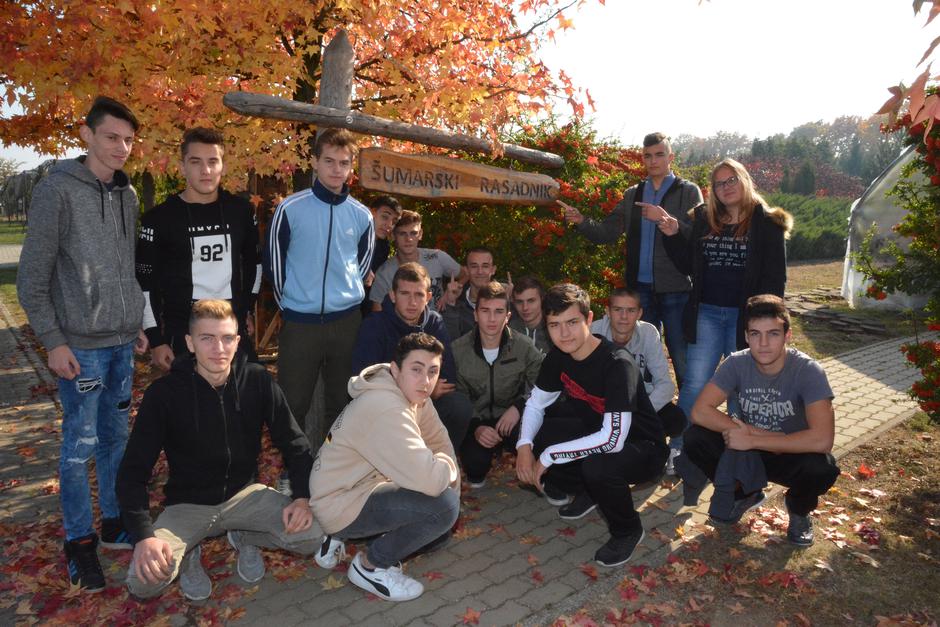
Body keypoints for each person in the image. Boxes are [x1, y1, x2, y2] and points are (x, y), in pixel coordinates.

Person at [117, 300, 335, 600]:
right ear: (190, 343)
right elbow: (131, 473)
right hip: (187, 505)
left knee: (312, 535)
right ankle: (189, 552)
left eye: (227, 338)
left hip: (244, 496)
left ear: (237, 341)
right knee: (144, 582)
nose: (218, 348)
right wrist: (143, 537)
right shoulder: (164, 395)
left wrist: (301, 497)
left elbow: (295, 444)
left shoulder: (257, 380)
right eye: (207, 338)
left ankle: (245, 536)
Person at [16, 96, 148, 592]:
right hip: (81, 349)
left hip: (121, 344)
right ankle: (79, 542)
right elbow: (31, 279)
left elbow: (127, 269)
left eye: (128, 140)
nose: (121, 147)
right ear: (87, 135)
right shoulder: (57, 191)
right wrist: (53, 341)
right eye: (112, 137)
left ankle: (114, 523)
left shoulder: (127, 195)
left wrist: (136, 320)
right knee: (79, 447)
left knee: (116, 438)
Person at [515, 284, 667, 567]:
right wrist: (524, 447)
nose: (564, 334)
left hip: (642, 446)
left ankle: (628, 530)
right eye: (555, 325)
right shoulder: (558, 356)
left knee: (597, 466)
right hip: (595, 429)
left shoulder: (617, 363)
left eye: (572, 322)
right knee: (530, 432)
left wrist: (548, 457)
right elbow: (535, 404)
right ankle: (589, 490)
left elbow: (613, 440)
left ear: (589, 319)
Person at [658, 158, 792, 465]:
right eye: (719, 183)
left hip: (746, 319)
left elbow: (776, 278)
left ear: (744, 180)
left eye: (731, 180)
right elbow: (688, 265)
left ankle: (742, 451)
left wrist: (769, 320)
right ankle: (680, 448)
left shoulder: (768, 223)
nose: (726, 187)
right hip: (706, 312)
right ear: (713, 190)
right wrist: (673, 235)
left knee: (742, 387)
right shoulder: (705, 218)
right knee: (695, 383)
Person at [310, 333, 461, 602]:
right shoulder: (386, 407)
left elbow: (439, 439)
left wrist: (447, 478)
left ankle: (336, 537)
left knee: (440, 525)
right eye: (416, 370)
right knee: (444, 508)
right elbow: (432, 479)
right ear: (395, 369)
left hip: (354, 484)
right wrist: (448, 472)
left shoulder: (413, 395)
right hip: (338, 501)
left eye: (433, 371)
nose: (426, 381)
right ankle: (370, 566)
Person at [680, 295, 839, 546]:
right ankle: (744, 493)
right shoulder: (736, 363)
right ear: (746, 336)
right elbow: (700, 411)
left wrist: (755, 438)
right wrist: (746, 436)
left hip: (791, 453)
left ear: (787, 336)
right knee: (696, 437)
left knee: (822, 468)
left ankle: (799, 510)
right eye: (755, 334)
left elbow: (822, 440)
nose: (763, 344)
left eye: (773, 334)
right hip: (748, 452)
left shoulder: (808, 371)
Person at [559, 132, 703, 389]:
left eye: (659, 154)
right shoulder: (633, 195)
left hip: (677, 288)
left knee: (682, 359)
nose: (653, 160)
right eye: (648, 156)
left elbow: (700, 235)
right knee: (641, 359)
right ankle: (645, 410)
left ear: (670, 157)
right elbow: (608, 232)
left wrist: (669, 222)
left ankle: (689, 412)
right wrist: (581, 221)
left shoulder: (688, 192)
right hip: (640, 292)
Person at [263, 128, 374, 454]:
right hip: (301, 323)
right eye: (329, 161)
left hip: (346, 323)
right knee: (291, 402)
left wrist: (346, 299)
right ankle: (293, 470)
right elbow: (274, 265)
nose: (336, 169)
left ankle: (333, 469)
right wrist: (293, 304)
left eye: (344, 163)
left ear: (351, 166)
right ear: (314, 162)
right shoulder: (290, 209)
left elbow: (361, 265)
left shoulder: (362, 215)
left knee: (343, 402)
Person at [137, 127, 261, 368]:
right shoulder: (159, 218)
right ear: (182, 167)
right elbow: (145, 283)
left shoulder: (241, 211)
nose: (206, 170)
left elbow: (255, 265)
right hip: (182, 336)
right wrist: (156, 340)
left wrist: (247, 309)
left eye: (213, 161)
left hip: (231, 331)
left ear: (223, 166)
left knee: (251, 389)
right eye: (196, 162)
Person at [351, 262, 472, 452]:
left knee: (458, 405)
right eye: (405, 294)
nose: (412, 302)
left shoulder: (434, 323)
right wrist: (424, 389)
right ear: (393, 295)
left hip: (425, 406)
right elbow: (365, 379)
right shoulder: (374, 325)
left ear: (428, 297)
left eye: (419, 295)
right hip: (386, 407)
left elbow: (447, 376)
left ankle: (437, 461)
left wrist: (420, 391)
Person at [453, 282, 543, 487]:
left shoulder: (523, 346)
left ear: (508, 316)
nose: (492, 319)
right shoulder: (458, 350)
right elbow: (457, 397)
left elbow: (541, 385)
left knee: (540, 447)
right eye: (485, 311)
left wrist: (519, 407)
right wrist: (476, 427)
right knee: (475, 468)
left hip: (511, 418)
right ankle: (484, 451)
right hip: (476, 420)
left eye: (499, 312)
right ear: (476, 314)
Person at [591, 288, 686, 444]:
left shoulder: (648, 333)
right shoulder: (593, 331)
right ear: (607, 311)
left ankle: (646, 447)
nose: (624, 316)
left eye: (631, 310)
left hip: (638, 403)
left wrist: (639, 413)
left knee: (675, 419)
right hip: (602, 402)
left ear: (639, 313)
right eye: (618, 310)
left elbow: (666, 385)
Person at [369, 209, 461, 311]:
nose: (409, 239)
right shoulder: (384, 273)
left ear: (420, 234)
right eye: (402, 233)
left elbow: (466, 273)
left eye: (413, 233)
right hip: (401, 321)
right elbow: (377, 312)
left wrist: (450, 293)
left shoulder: (437, 257)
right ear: (393, 235)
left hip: (439, 319)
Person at [442, 246, 500, 340]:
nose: (480, 272)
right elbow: (450, 341)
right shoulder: (454, 302)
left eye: (485, 266)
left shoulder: (504, 300)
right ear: (466, 270)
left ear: (493, 270)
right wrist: (451, 304)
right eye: (474, 266)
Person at [361, 195, 403, 317]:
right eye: (385, 217)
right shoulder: (353, 237)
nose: (389, 225)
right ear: (372, 212)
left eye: (394, 221)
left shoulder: (383, 246)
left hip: (368, 305)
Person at [509, 275, 551, 354]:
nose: (525, 308)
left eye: (531, 301)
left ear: (542, 299)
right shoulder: (508, 332)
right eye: (519, 302)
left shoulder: (553, 329)